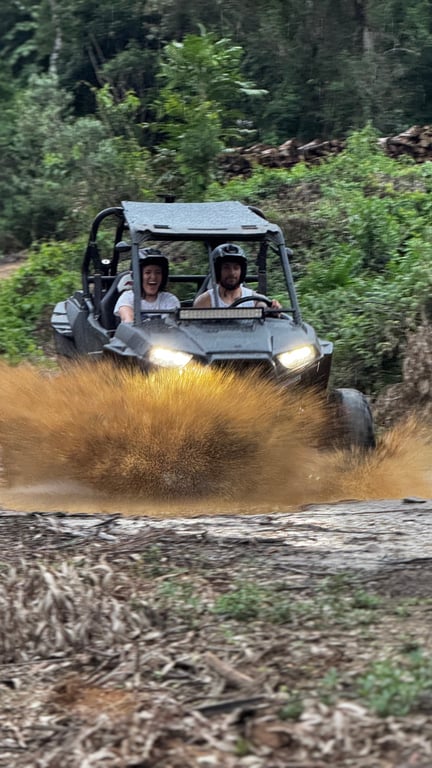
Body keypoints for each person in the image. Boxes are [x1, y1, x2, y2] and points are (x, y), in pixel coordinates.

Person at [193, 243, 281, 310]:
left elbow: (264, 309)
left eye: (236, 268)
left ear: (242, 271)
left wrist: (274, 309)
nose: (232, 273)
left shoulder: (255, 300)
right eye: (226, 268)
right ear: (218, 271)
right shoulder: (205, 301)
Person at [114, 248, 180, 323]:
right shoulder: (128, 297)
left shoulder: (170, 299)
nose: (153, 277)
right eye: (148, 272)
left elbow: (171, 325)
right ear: (138, 276)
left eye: (158, 272)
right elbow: (128, 320)